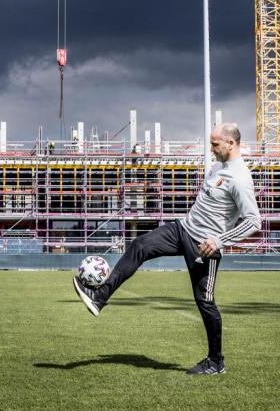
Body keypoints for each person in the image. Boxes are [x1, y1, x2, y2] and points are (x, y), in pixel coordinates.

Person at [72, 122, 261, 376]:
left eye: (215, 144)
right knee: (140, 245)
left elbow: (253, 221)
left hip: (204, 247)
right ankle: (99, 297)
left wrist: (218, 241)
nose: (212, 149)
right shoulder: (218, 167)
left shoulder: (240, 178)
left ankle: (216, 361)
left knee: (205, 302)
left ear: (231, 143)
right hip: (182, 229)